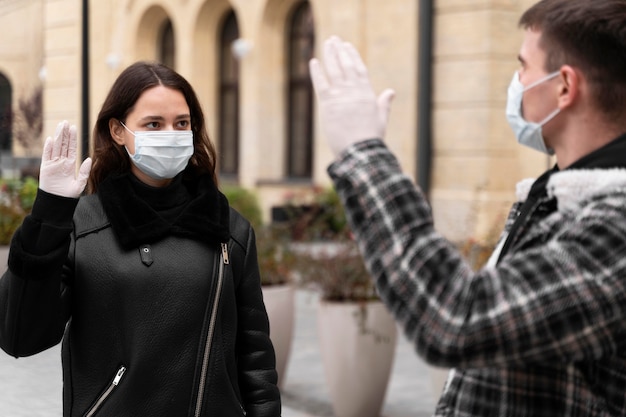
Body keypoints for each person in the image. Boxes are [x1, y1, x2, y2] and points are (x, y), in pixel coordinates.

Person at [309, 0, 626, 415]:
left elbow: (459, 316)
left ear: (565, 86)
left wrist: (362, 154)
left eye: (523, 66)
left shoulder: (617, 226)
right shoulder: (557, 196)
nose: (516, 81)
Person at [0, 61, 281, 417]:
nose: (171, 134)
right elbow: (20, 338)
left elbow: (255, 357)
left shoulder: (230, 229)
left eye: (181, 123)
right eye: (153, 124)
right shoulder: (82, 226)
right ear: (118, 131)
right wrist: (48, 216)